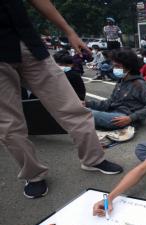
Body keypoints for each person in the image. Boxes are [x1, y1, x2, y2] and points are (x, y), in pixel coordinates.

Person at [0, 0, 123, 198]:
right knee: (9, 125)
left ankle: (93, 159)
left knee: (73, 106)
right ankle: (33, 175)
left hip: (28, 43)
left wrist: (69, 31)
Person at [86, 49, 146, 130]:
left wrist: (131, 118)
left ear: (129, 67)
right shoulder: (121, 81)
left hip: (124, 118)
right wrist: (88, 104)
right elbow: (109, 102)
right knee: (82, 110)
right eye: (114, 66)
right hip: (113, 113)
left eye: (117, 66)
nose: (114, 68)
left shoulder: (139, 84)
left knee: (86, 114)